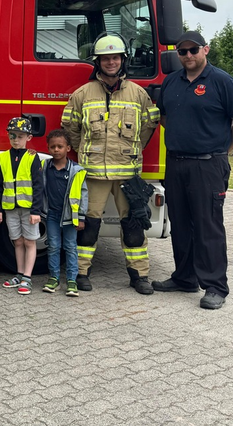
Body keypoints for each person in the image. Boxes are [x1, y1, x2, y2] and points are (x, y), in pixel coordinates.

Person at [61, 33, 159, 294]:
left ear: (123, 60)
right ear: (98, 62)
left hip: (128, 175)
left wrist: (135, 148)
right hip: (93, 173)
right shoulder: (82, 93)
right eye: (106, 59)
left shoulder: (138, 93)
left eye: (115, 57)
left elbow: (150, 124)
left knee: (134, 225)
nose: (111, 62)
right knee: (88, 224)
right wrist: (84, 148)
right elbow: (69, 125)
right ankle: (81, 273)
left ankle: (139, 276)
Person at [153, 31, 233, 310]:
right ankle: (185, 277)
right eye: (182, 51)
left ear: (205, 50)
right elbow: (164, 117)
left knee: (207, 225)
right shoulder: (171, 82)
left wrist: (224, 151)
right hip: (176, 163)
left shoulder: (222, 81)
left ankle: (215, 286)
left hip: (208, 164)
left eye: (193, 50)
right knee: (181, 224)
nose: (188, 55)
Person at [0, 117, 43, 295]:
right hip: (10, 208)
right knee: (17, 241)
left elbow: (38, 186)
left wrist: (36, 211)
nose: (16, 139)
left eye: (20, 136)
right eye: (12, 135)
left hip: (29, 208)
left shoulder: (32, 157)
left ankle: (27, 278)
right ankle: (19, 273)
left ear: (28, 137)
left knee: (30, 241)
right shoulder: (3, 157)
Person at [41, 129, 87, 298]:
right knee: (53, 247)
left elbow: (83, 195)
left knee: (70, 248)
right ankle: (53, 278)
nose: (56, 150)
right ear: (48, 148)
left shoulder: (76, 170)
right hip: (52, 214)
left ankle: (72, 280)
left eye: (60, 146)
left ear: (68, 148)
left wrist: (81, 217)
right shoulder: (45, 166)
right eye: (52, 147)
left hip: (70, 217)